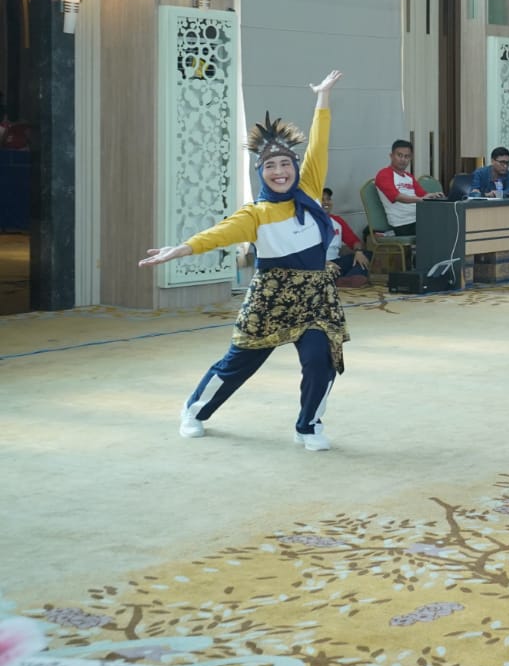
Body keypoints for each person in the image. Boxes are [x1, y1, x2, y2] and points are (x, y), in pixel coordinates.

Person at [145, 72, 349, 451]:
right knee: (237, 366)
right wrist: (181, 249)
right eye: (271, 168)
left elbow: (319, 144)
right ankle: (195, 410)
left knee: (321, 359)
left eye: (285, 165)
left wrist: (322, 99)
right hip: (271, 298)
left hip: (316, 297)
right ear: (261, 173)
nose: (280, 172)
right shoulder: (255, 214)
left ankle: (308, 426)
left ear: (294, 166)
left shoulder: (309, 190)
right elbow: (218, 234)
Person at [374, 138, 441, 235]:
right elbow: (397, 197)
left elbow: (423, 194)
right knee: (441, 226)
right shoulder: (384, 174)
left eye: (407, 156)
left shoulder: (409, 177)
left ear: (410, 158)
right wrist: (420, 199)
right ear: (391, 156)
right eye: (399, 155)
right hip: (403, 224)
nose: (403, 159)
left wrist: (434, 195)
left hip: (418, 219)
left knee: (448, 220)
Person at [321, 187, 370, 286]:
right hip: (317, 264)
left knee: (366, 254)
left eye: (328, 199)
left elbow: (354, 241)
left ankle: (347, 279)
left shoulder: (337, 221)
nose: (326, 202)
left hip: (336, 263)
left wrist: (358, 252)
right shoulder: (307, 221)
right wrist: (323, 263)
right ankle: (347, 278)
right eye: (322, 200)